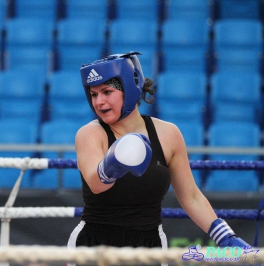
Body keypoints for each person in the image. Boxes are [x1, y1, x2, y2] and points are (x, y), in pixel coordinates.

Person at [67, 52, 250, 252]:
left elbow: (191, 196)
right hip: (94, 244)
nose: (99, 101)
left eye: (107, 91)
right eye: (93, 94)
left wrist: (226, 237)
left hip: (150, 245)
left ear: (129, 87)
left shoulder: (168, 134)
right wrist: (116, 161)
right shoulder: (90, 133)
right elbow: (96, 184)